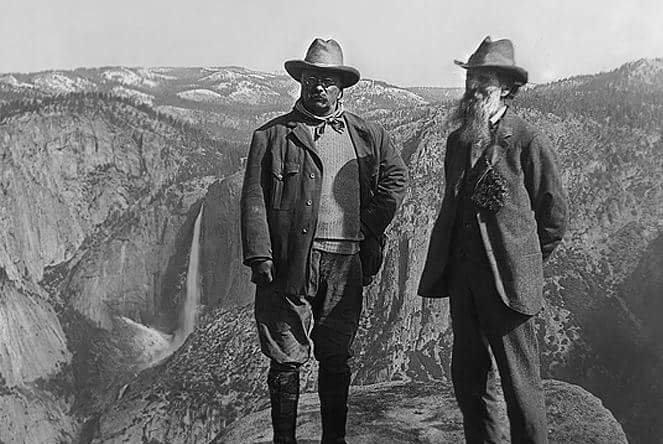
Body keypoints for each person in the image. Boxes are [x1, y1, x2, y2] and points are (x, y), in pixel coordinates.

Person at [240, 38, 407, 444]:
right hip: (289, 262)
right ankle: (286, 441)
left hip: (346, 263)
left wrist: (368, 226)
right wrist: (260, 254)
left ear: (341, 88)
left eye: (327, 80)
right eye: (312, 78)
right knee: (284, 356)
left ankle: (335, 439)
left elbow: (396, 180)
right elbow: (253, 197)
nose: (319, 87)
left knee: (335, 355)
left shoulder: (369, 135)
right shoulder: (272, 136)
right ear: (301, 81)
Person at [418, 36, 568, 443]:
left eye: (485, 79)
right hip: (463, 283)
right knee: (469, 382)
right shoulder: (458, 141)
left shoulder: (527, 141)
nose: (474, 86)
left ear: (506, 87)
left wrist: (523, 262)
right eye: (471, 77)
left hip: (509, 287)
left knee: (521, 387)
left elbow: (553, 216)